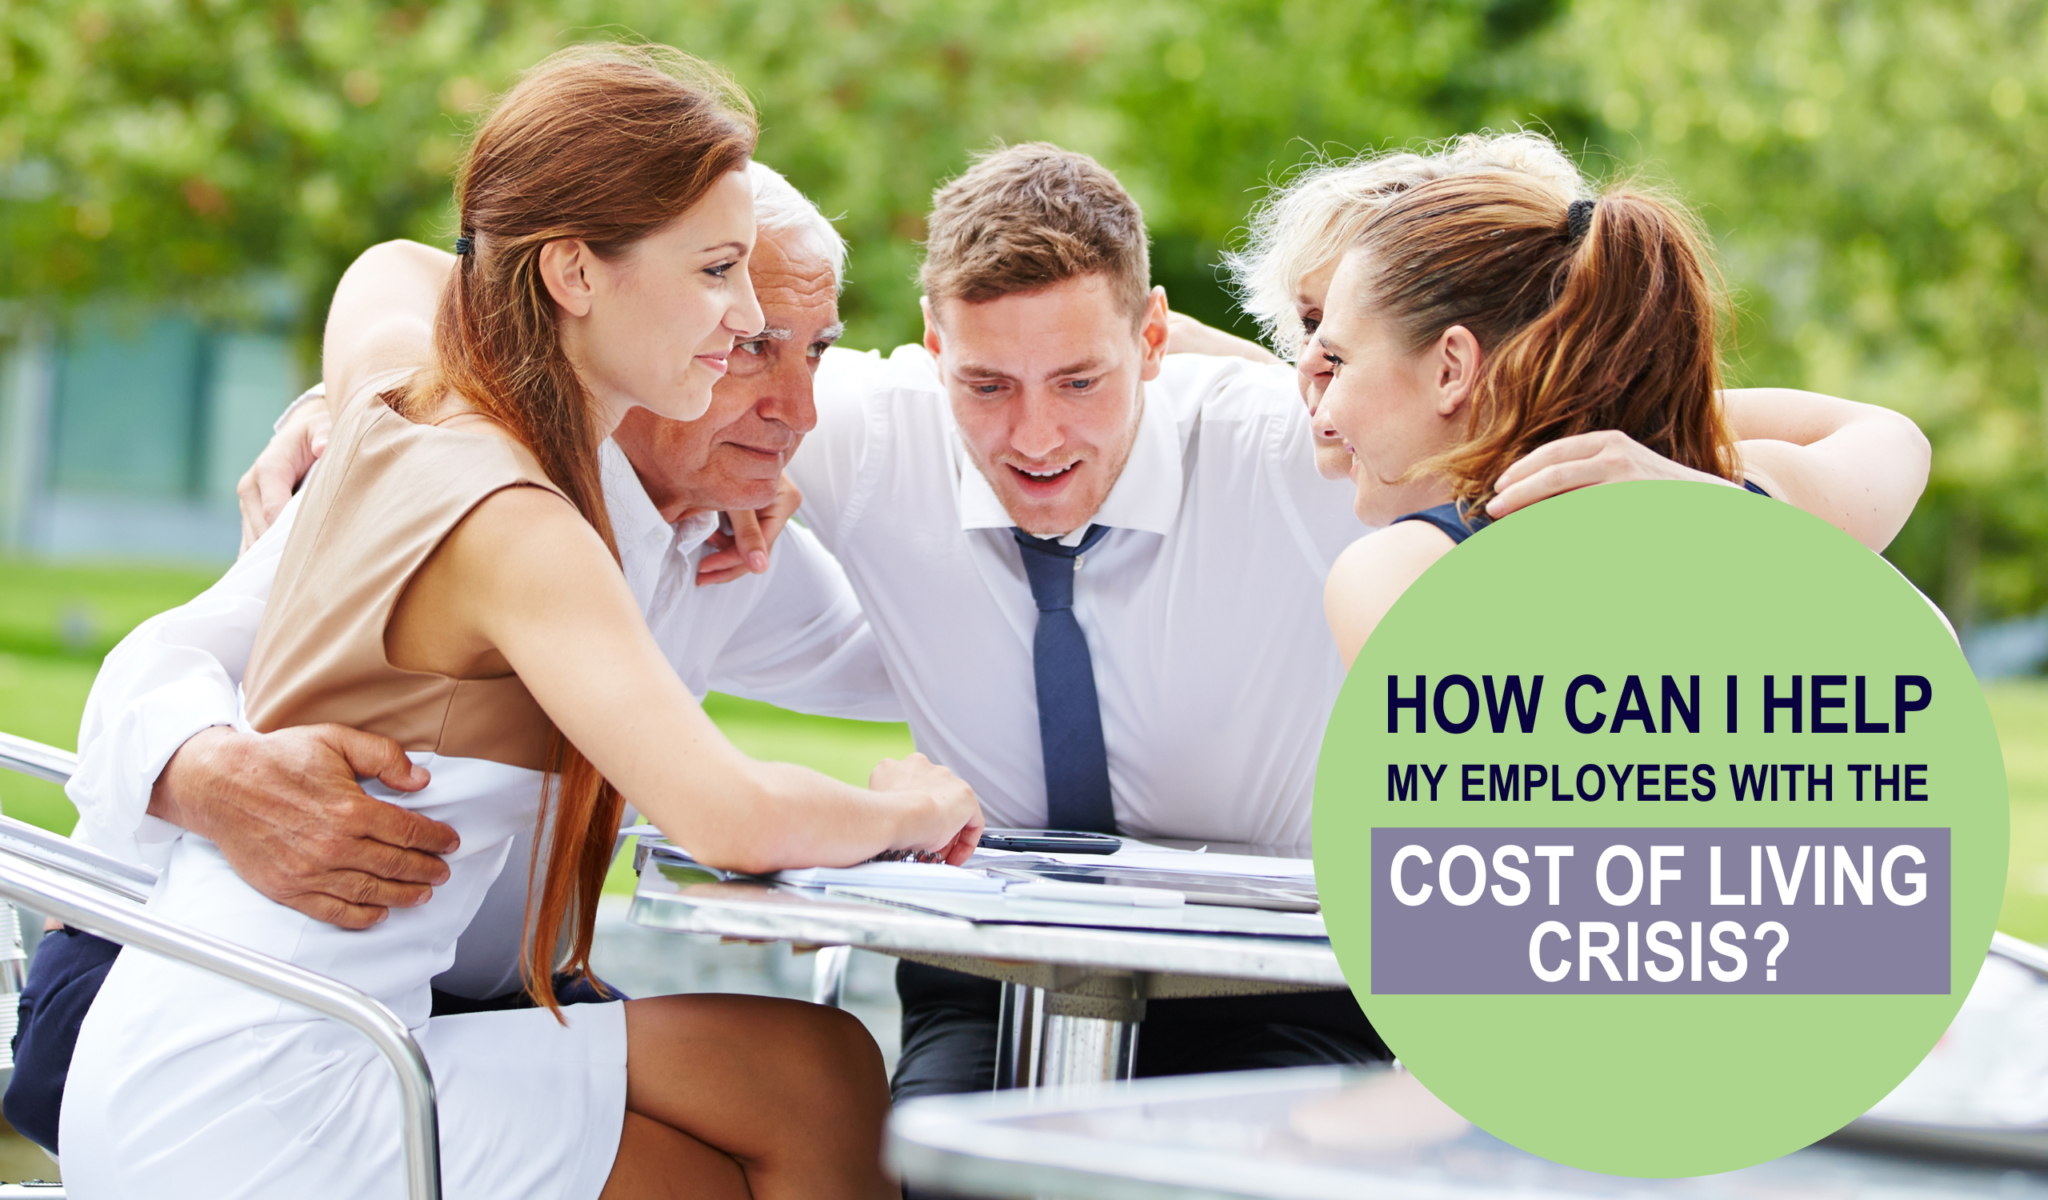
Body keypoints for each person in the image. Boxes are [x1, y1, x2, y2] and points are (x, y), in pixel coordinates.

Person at [236, 139, 1929, 1103]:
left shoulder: (1314, 460)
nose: (1032, 436)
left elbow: (1837, 442)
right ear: (919, 349)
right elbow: (430, 275)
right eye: (987, 384)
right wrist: (364, 389)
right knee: (929, 1147)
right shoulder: (844, 427)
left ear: (1158, 340)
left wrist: (1661, 464)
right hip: (996, 982)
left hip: (1315, 987)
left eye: (1080, 381)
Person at [60, 46, 980, 1199]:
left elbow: (392, 276)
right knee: (736, 1147)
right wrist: (909, 803)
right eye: (715, 273)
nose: (742, 317)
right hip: (273, 1090)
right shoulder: (519, 523)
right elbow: (732, 815)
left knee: (816, 1065)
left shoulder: (403, 404)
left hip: (221, 1045)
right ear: (574, 276)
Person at [1311, 167, 1928, 660]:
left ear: (1451, 370)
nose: (1322, 401)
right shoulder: (1742, 499)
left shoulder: (1400, 575)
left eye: (1336, 358)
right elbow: (1893, 436)